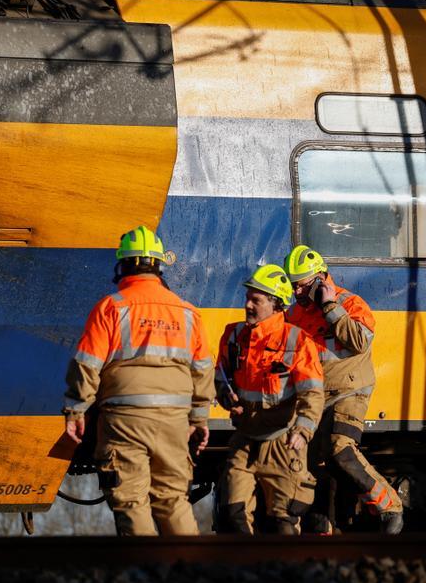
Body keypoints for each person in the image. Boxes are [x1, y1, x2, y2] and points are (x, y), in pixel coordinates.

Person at [63, 225, 214, 536]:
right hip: (174, 419)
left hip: (124, 419)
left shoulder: (111, 307)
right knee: (173, 498)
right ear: (158, 266)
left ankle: (145, 573)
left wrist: (76, 411)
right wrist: (199, 418)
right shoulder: (187, 312)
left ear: (123, 265)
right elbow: (202, 369)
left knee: (131, 499)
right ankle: (191, 569)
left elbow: (87, 363)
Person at [283, 244, 404, 533]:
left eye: (301, 286)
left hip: (349, 389)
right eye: (292, 286)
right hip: (313, 396)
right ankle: (322, 532)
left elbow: (359, 341)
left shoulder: (350, 304)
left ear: (321, 279)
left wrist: (329, 307)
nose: (296, 293)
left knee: (339, 448)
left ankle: (389, 506)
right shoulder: (294, 315)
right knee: (311, 465)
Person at [216, 264, 324, 535]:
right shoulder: (233, 336)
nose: (248, 305)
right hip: (245, 439)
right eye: (247, 298)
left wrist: (303, 430)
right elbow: (220, 378)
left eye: (256, 300)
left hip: (283, 442)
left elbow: (312, 393)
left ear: (276, 304)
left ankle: (288, 574)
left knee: (283, 521)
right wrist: (226, 397)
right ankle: (248, 573)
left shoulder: (297, 341)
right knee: (233, 513)